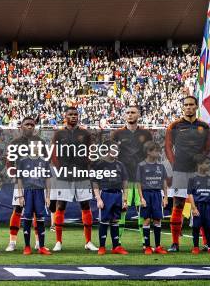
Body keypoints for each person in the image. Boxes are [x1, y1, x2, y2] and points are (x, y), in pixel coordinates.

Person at [164, 96, 210, 252]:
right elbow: (168, 147)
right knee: (178, 205)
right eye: (186, 105)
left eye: (191, 104)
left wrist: (201, 164)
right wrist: (174, 164)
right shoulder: (174, 126)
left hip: (198, 172)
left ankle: (206, 243)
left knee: (202, 205)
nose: (189, 107)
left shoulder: (204, 126)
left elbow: (207, 148)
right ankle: (175, 243)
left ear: (196, 106)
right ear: (182, 107)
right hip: (180, 171)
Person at [50, 106, 98, 252]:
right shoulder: (58, 134)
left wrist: (86, 166)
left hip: (81, 174)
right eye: (70, 114)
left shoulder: (85, 133)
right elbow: (53, 154)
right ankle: (58, 242)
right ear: (65, 116)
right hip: (64, 175)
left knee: (85, 205)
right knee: (61, 206)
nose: (73, 116)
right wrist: (60, 169)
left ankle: (88, 241)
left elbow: (91, 152)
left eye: (75, 114)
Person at [110, 105, 153, 242]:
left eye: (133, 112)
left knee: (142, 209)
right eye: (127, 112)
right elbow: (111, 156)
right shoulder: (116, 134)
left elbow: (150, 154)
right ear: (124, 115)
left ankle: (144, 242)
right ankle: (118, 242)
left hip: (141, 178)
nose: (130, 115)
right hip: (124, 179)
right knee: (122, 209)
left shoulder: (146, 134)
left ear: (138, 115)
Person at [6, 116, 41, 252]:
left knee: (37, 212)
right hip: (21, 183)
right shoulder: (15, 143)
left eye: (32, 125)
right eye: (27, 124)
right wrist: (16, 174)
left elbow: (45, 162)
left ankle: (38, 242)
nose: (30, 127)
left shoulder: (40, 142)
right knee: (18, 209)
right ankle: (12, 242)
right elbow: (9, 164)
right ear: (21, 126)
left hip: (37, 182)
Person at [15, 131, 52, 255]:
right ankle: (27, 247)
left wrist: (48, 196)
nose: (35, 147)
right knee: (27, 220)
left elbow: (47, 179)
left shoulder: (44, 161)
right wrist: (20, 195)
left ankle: (41, 246)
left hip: (40, 193)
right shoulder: (23, 161)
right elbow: (19, 179)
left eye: (37, 145)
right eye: (33, 145)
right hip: (28, 192)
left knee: (40, 220)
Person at [91, 145, 129, 255]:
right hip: (105, 194)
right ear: (107, 151)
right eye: (113, 149)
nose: (115, 152)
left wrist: (125, 199)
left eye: (117, 150)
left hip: (118, 194)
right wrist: (98, 198)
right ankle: (102, 247)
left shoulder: (120, 165)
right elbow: (95, 182)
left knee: (115, 220)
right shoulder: (99, 164)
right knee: (104, 220)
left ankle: (116, 246)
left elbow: (125, 182)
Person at [136, 141, 169, 254]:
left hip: (157, 195)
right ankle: (147, 246)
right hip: (146, 194)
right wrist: (141, 198)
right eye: (155, 150)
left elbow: (164, 182)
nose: (158, 152)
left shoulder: (161, 166)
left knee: (157, 219)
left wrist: (165, 197)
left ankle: (158, 246)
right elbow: (138, 183)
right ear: (148, 152)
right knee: (146, 220)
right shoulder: (141, 165)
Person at [187, 154, 210, 254]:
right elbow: (190, 194)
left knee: (208, 227)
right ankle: (196, 247)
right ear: (199, 164)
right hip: (197, 206)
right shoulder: (192, 179)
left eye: (208, 163)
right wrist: (193, 208)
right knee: (196, 227)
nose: (209, 165)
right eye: (206, 163)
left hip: (208, 207)